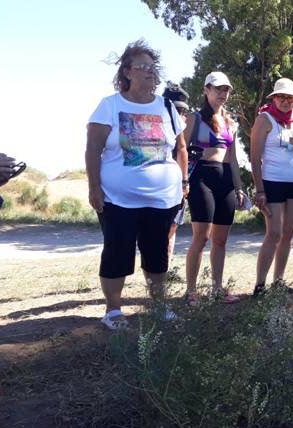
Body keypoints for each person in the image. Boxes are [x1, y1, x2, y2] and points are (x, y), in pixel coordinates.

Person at [85, 40, 188, 330]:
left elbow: (180, 148)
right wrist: (94, 188)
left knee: (157, 253)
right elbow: (93, 148)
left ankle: (159, 305)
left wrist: (183, 181)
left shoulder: (167, 107)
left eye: (153, 67)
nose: (150, 72)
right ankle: (114, 310)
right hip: (118, 198)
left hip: (162, 198)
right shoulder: (110, 105)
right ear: (127, 72)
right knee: (118, 251)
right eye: (142, 67)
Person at [183, 72, 246, 304]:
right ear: (206, 90)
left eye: (226, 90)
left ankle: (217, 289)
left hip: (225, 180)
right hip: (201, 178)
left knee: (221, 240)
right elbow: (180, 151)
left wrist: (238, 188)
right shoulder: (194, 119)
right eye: (218, 89)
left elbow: (234, 159)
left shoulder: (231, 122)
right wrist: (183, 181)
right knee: (201, 237)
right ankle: (191, 291)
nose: (222, 93)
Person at [250, 78, 293, 297]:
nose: (285, 101)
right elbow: (254, 158)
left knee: (288, 233)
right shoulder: (264, 119)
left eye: (290, 98)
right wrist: (259, 190)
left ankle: (279, 281)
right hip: (271, 182)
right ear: (274, 98)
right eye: (281, 97)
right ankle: (260, 285)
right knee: (273, 233)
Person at [162, 81, 191, 270]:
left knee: (172, 228)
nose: (179, 115)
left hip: (178, 183)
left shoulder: (185, 127)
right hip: (160, 183)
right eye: (175, 110)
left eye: (181, 111)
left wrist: (184, 181)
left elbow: (184, 152)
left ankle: (167, 267)